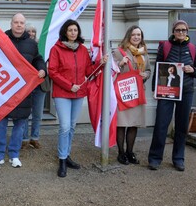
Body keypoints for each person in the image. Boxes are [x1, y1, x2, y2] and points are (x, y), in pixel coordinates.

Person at [48, 19, 107, 177]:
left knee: (72, 126)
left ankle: (67, 155)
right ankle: (61, 159)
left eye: (75, 30)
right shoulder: (56, 49)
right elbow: (52, 71)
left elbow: (89, 71)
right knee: (65, 126)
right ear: (65, 32)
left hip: (79, 93)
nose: (73, 33)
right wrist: (69, 85)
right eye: (70, 30)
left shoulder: (82, 50)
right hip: (63, 93)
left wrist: (100, 64)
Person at [0, 13, 46, 168]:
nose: (19, 25)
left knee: (20, 125)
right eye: (16, 22)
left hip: (23, 91)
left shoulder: (32, 44)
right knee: (0, 124)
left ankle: (14, 154)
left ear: (24, 25)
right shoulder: (1, 41)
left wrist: (42, 69)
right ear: (11, 23)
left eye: (21, 23)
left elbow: (38, 59)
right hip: (4, 90)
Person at [148, 20, 196, 171]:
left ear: (187, 32)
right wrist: (154, 89)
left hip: (186, 91)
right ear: (173, 31)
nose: (181, 33)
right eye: (178, 30)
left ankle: (178, 159)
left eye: (184, 30)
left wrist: (192, 70)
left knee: (182, 126)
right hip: (167, 91)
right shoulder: (165, 46)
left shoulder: (193, 48)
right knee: (161, 124)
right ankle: (154, 158)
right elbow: (158, 69)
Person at [112, 25, 151, 165]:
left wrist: (144, 75)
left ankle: (130, 152)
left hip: (138, 92)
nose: (136, 37)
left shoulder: (144, 53)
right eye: (134, 34)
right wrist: (120, 64)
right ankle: (121, 153)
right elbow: (111, 69)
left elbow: (148, 70)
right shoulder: (119, 51)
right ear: (129, 36)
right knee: (122, 124)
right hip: (123, 93)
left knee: (133, 124)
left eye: (139, 35)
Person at [22, 24, 47, 149]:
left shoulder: (42, 45)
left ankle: (35, 138)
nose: (32, 33)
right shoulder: (22, 45)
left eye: (34, 31)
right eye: (29, 31)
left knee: (37, 113)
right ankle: (24, 138)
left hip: (40, 85)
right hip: (26, 85)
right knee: (26, 112)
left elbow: (45, 62)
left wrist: (43, 69)